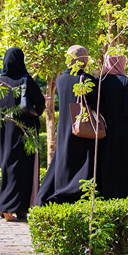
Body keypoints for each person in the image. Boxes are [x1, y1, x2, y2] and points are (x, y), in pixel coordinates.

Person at [36, 45, 98, 206]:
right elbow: (96, 105)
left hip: (64, 126)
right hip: (81, 125)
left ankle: (60, 192)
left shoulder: (61, 79)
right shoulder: (88, 80)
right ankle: (74, 194)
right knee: (81, 160)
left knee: (65, 158)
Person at [0, 47, 46, 221]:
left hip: (5, 131)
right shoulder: (25, 79)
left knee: (8, 165)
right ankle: (14, 207)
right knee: (25, 168)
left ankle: (12, 207)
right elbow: (39, 103)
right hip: (25, 131)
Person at [95, 53, 128, 200]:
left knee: (107, 163)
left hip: (104, 131)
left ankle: (106, 195)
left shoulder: (99, 81)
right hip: (123, 132)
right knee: (125, 164)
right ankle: (126, 196)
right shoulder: (126, 82)